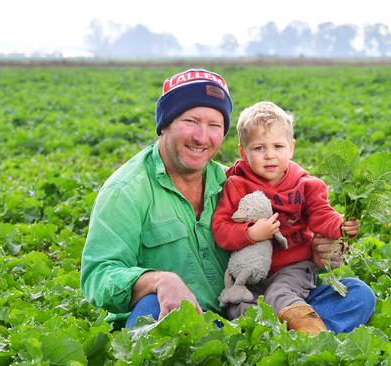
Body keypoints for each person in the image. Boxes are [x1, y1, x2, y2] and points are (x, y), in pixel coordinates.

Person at [79, 68, 375, 333]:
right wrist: (159, 280)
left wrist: (317, 250)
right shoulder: (127, 190)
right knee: (150, 315)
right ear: (165, 124)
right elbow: (98, 277)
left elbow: (277, 246)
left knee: (355, 294)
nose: (201, 136)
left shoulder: (235, 183)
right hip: (188, 318)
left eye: (214, 125)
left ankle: (266, 336)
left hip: (247, 306)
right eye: (190, 121)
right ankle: (278, 340)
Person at [212, 101, 360, 335]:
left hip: (294, 267)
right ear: (243, 152)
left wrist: (341, 226)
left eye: (278, 147)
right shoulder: (236, 184)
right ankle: (263, 337)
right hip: (250, 273)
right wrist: (250, 233)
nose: (269, 156)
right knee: (238, 304)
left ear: (291, 148)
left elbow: (322, 215)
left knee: (280, 294)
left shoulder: (306, 185)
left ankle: (311, 335)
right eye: (259, 148)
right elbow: (220, 229)